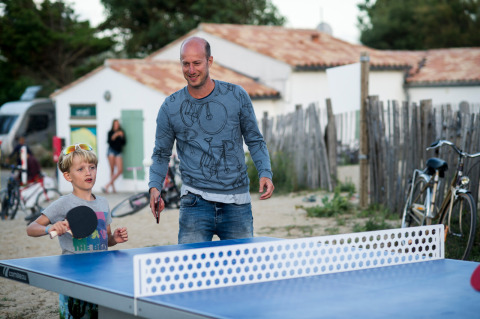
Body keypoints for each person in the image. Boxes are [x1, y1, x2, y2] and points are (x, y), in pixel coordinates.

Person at [149, 37, 274, 244]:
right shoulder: (170, 107)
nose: (191, 69)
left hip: (237, 203)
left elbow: (255, 139)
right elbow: (161, 153)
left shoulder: (237, 96)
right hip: (194, 203)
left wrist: (265, 172)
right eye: (185, 63)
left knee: (241, 273)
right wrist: (155, 187)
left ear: (210, 61)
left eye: (196, 63)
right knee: (191, 272)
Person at [26, 143, 128, 319]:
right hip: (73, 277)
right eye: (80, 169)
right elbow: (31, 228)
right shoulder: (63, 203)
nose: (88, 173)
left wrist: (114, 238)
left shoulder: (103, 203)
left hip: (100, 275)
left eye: (92, 167)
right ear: (68, 176)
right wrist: (49, 228)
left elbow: (105, 239)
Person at [103, 119, 126, 193]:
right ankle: (113, 188)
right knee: (112, 170)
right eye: (115, 124)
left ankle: (107, 185)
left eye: (118, 124)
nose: (117, 125)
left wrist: (122, 136)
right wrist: (115, 135)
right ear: (113, 124)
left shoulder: (121, 132)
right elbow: (109, 142)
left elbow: (124, 143)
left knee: (120, 170)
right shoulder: (110, 132)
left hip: (118, 152)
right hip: (111, 151)